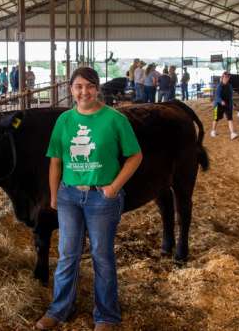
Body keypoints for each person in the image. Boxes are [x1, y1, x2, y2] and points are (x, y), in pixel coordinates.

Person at [36, 66, 142, 331]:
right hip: (69, 196)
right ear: (71, 90)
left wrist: (115, 187)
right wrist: (54, 196)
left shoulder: (115, 119)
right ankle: (60, 309)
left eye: (89, 86)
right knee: (67, 255)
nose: (84, 92)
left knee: (101, 255)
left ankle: (106, 315)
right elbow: (56, 162)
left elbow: (135, 156)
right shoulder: (64, 121)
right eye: (78, 87)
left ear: (97, 89)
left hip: (101, 198)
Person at [211, 71, 238, 140]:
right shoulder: (219, 86)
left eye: (228, 77)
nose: (227, 78)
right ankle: (213, 131)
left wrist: (233, 104)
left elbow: (230, 96)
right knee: (216, 118)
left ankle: (232, 133)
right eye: (225, 77)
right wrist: (221, 101)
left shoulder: (230, 86)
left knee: (230, 118)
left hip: (227, 104)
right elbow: (217, 96)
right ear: (222, 77)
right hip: (218, 105)